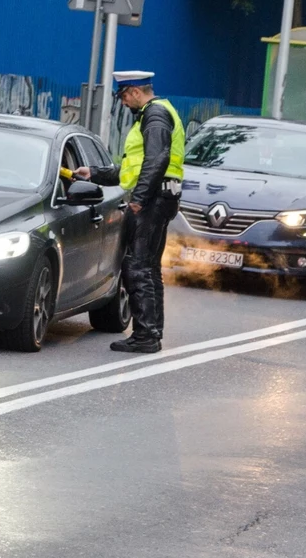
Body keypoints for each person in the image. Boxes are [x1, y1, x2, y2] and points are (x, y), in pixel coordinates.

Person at [74, 71, 184, 354]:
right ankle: (152, 331)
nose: (123, 102)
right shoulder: (157, 113)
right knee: (148, 267)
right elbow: (132, 170)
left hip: (153, 199)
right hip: (162, 196)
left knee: (136, 266)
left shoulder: (155, 115)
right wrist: (95, 174)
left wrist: (139, 198)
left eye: (123, 96)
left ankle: (146, 335)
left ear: (135, 91)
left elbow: (156, 159)